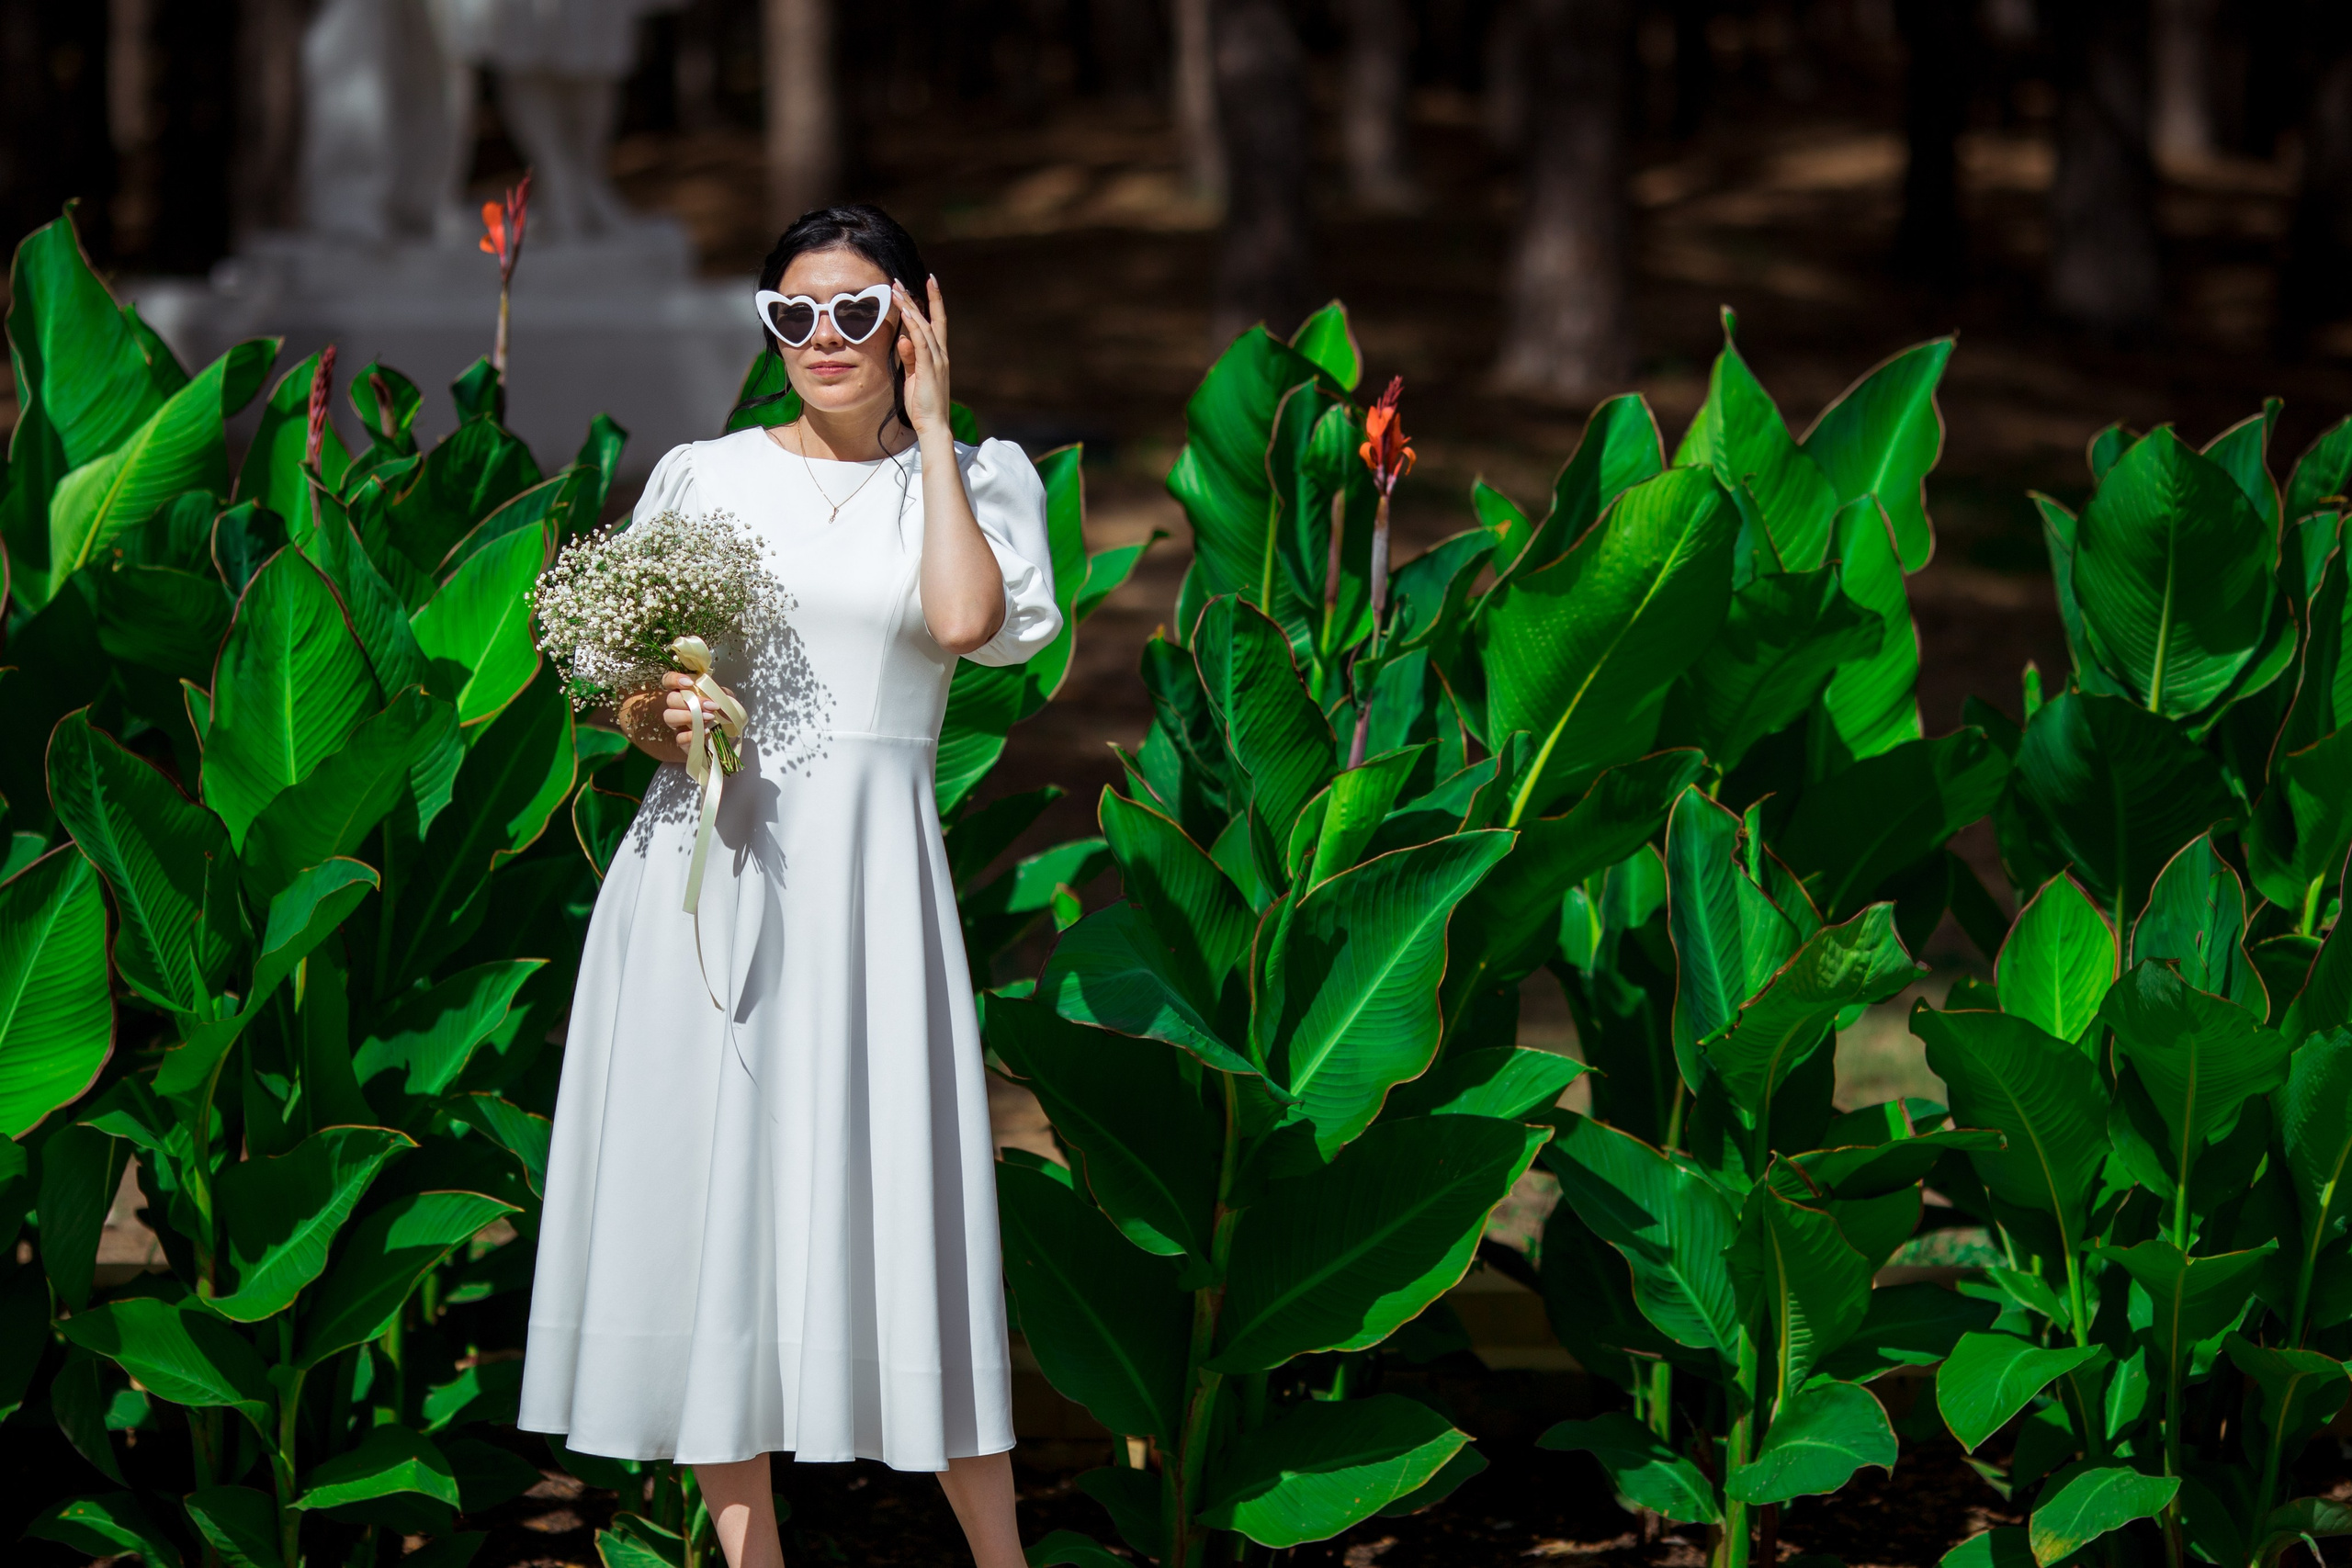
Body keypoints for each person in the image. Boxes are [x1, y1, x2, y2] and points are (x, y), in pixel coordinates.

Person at [518, 204, 1058, 1568]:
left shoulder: (982, 479)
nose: (827, 338)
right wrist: (662, 722)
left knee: (914, 1223)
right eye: (796, 315)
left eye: (860, 310)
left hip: (872, 895)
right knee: (721, 1222)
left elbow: (962, 624)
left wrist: (932, 432)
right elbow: (631, 697)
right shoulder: (702, 476)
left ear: (914, 322)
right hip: (708, 879)